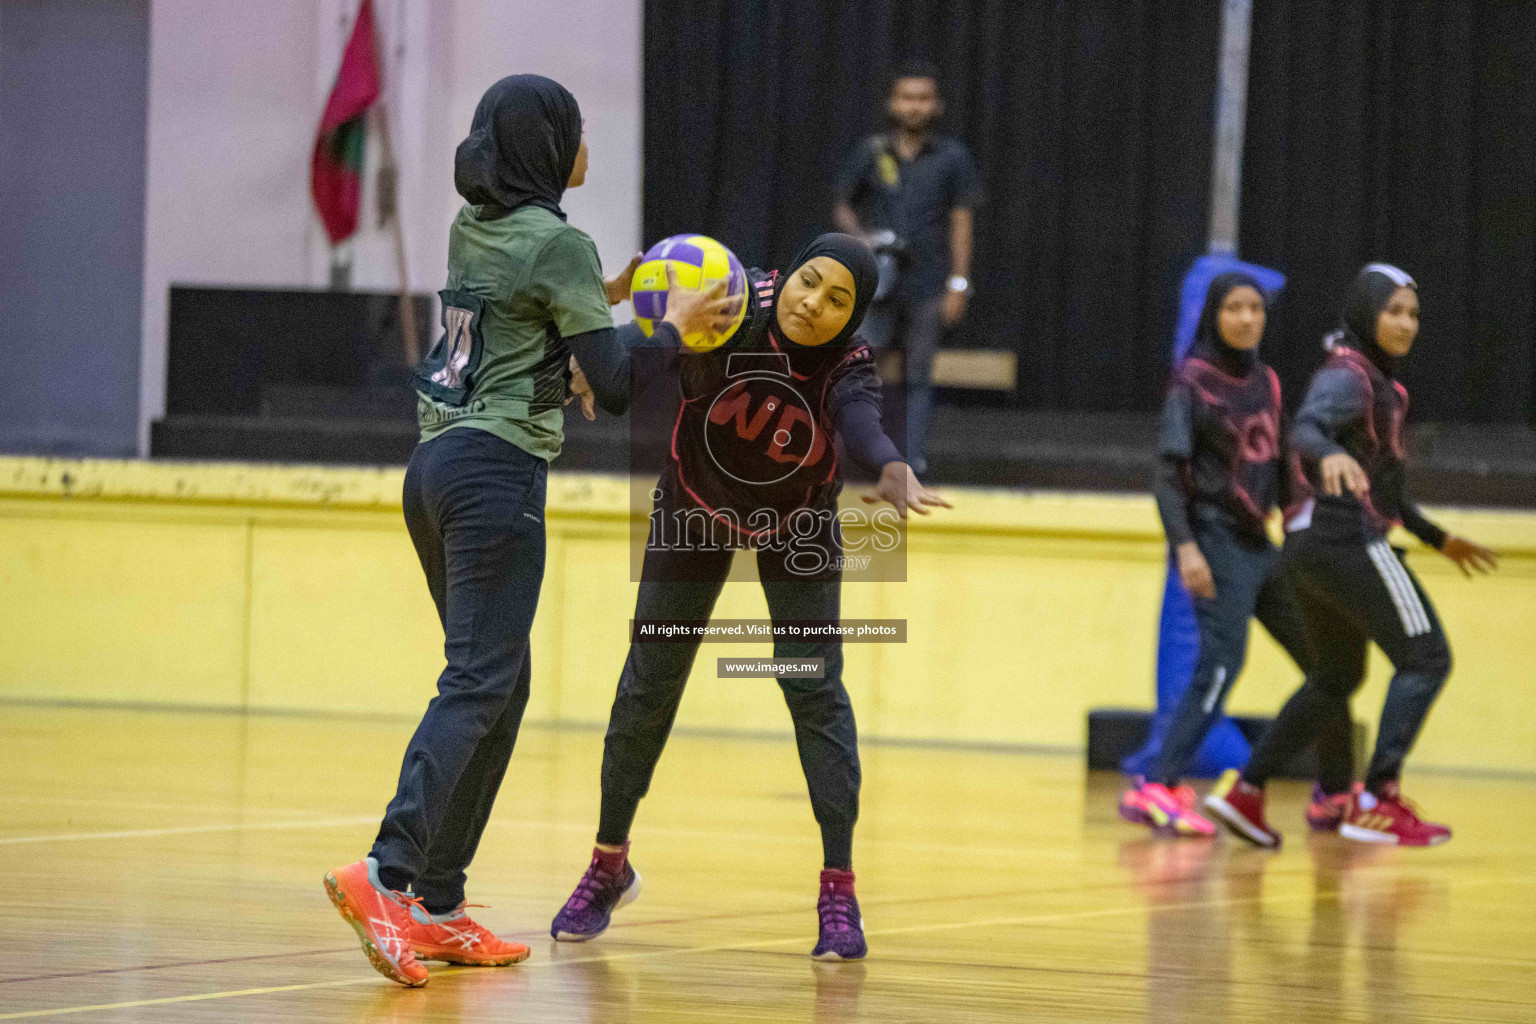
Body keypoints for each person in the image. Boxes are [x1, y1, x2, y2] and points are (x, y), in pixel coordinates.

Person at [322, 74, 732, 988]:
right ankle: (386, 873)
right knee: (479, 681)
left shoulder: (480, 226)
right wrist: (676, 331)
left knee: (500, 684)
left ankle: (437, 902)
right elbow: (614, 381)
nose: (586, 146)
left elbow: (529, 335)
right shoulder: (558, 242)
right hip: (496, 475)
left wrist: (608, 297)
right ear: (549, 149)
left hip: (434, 470)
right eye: (577, 133)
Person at [548, 234, 950, 962]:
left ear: (854, 316)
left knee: (813, 690)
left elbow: (861, 425)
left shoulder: (849, 364)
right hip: (695, 510)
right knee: (648, 685)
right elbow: (643, 344)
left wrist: (890, 465)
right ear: (787, 271)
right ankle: (609, 863)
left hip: (797, 528)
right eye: (808, 282)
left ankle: (838, 887)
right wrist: (598, 349)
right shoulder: (732, 300)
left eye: (837, 301)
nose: (812, 305)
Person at [1204, 263, 1499, 849]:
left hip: (1308, 551)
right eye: (1393, 311)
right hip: (1344, 538)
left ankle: (1247, 792)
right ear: (1367, 313)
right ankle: (1377, 799)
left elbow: (1387, 492)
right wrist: (1325, 456)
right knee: (1427, 658)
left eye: (1414, 314)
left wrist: (1440, 539)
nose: (1406, 323)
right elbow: (1306, 429)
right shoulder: (1350, 376)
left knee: (1338, 676)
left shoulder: (1385, 388)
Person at [1119, 273, 1355, 837]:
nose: (1247, 319)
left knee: (1329, 663)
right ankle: (1157, 784)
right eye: (1235, 308)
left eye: (1256, 308)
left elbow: (1279, 468)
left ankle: (1337, 792)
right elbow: (1166, 479)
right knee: (1223, 664)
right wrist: (1187, 550)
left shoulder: (1268, 381)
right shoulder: (1192, 382)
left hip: (1260, 544)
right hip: (1214, 538)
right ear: (1214, 316)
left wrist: (1302, 530)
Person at [833, 63, 980, 474]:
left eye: (923, 98)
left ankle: (910, 460)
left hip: (930, 280)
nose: (914, 106)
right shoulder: (873, 151)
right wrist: (862, 237)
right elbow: (843, 202)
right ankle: (858, 455)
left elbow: (962, 220)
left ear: (937, 105)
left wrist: (959, 283)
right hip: (877, 279)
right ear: (892, 103)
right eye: (906, 98)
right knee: (862, 364)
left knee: (918, 374)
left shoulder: (953, 157)